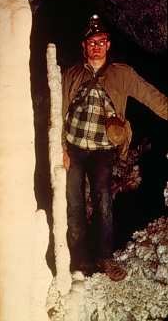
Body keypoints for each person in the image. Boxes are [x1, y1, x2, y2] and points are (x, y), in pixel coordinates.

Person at [62, 14, 168, 281]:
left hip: (102, 151)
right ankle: (78, 261)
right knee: (74, 205)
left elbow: (152, 97)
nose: (96, 47)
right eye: (91, 42)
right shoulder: (72, 74)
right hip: (73, 148)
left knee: (104, 203)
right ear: (84, 46)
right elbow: (58, 110)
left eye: (101, 41)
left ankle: (104, 257)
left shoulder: (122, 74)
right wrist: (59, 147)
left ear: (108, 45)